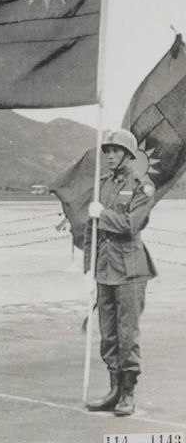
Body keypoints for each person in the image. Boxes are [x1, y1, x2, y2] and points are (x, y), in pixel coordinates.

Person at [84, 129, 156, 417]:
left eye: (115, 151)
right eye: (107, 151)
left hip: (129, 268)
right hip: (104, 267)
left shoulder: (142, 185)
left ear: (128, 154)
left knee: (127, 333)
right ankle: (114, 389)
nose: (110, 156)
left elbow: (130, 224)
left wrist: (102, 213)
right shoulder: (102, 185)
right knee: (109, 334)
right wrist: (88, 271)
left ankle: (128, 392)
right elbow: (92, 231)